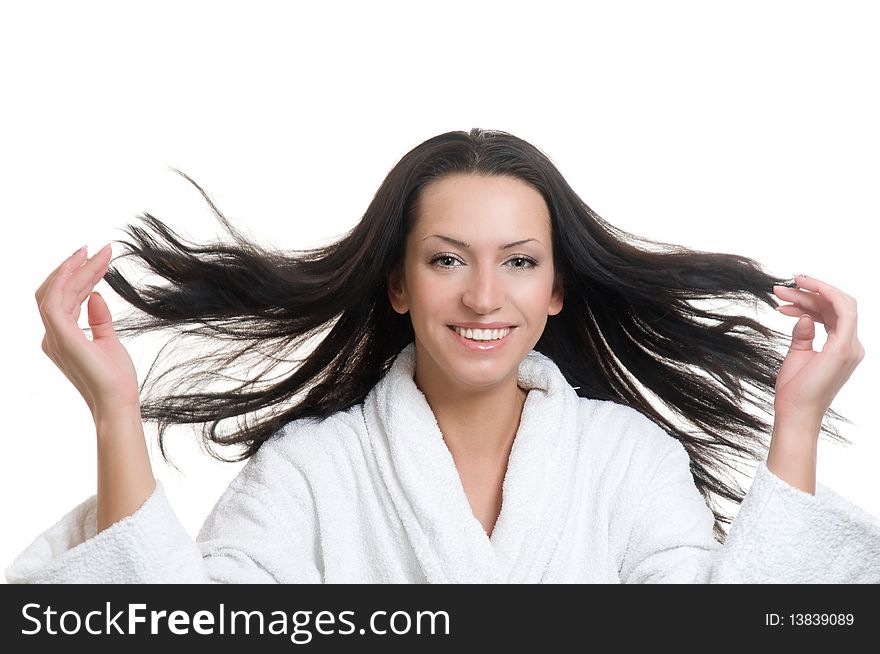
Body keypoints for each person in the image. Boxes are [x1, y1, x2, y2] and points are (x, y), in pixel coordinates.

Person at [8, 128, 880, 583]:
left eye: (520, 263)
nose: (484, 298)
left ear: (557, 290)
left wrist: (794, 422)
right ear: (399, 285)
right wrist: (115, 412)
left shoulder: (624, 461)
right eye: (447, 259)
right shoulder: (313, 472)